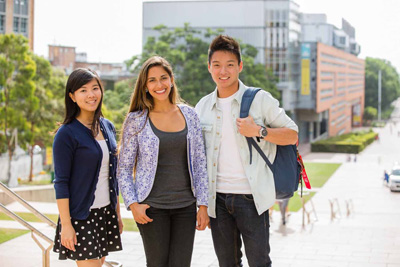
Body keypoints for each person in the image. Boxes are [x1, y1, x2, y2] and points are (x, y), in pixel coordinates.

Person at [195, 35, 298, 267]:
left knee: (259, 263)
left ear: (240, 66)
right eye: (217, 65)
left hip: (252, 199)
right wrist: (201, 204)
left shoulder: (260, 100)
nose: (224, 71)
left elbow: (292, 135)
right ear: (209, 67)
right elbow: (196, 160)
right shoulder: (201, 107)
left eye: (230, 65)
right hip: (217, 201)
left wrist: (259, 130)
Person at [117, 56, 209, 267]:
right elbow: (123, 168)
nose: (159, 85)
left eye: (163, 78)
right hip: (151, 208)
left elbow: (199, 162)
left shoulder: (190, 115)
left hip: (185, 206)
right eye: (152, 80)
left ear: (171, 80)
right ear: (145, 86)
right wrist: (133, 204)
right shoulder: (137, 119)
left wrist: (203, 204)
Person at [52, 68, 123, 266]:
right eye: (83, 90)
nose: (91, 95)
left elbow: (112, 177)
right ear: (72, 96)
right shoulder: (66, 133)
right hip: (81, 216)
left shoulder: (107, 126)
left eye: (95, 88)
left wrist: (117, 214)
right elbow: (61, 183)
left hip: (105, 212)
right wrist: (66, 225)